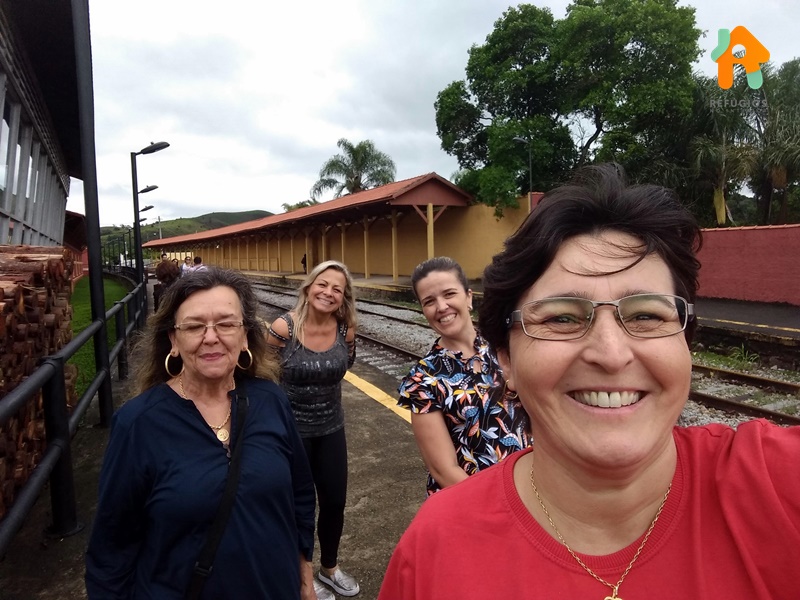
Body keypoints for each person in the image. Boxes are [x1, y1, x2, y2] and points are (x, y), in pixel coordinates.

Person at [378, 164, 800, 599]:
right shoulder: (436, 550)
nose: (612, 354)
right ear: (505, 360)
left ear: (685, 344)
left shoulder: (775, 485)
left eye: (646, 315)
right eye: (561, 318)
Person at [86, 268, 317, 600]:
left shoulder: (271, 400)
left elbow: (299, 493)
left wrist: (303, 570)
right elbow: (111, 549)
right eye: (194, 326)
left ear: (245, 336)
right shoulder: (138, 424)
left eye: (226, 324)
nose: (211, 337)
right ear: (173, 341)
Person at [267, 260, 360, 600]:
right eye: (323, 284)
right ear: (308, 287)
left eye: (337, 288)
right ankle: (301, 573)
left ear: (344, 297)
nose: (329, 292)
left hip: (331, 428)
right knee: (295, 506)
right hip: (290, 433)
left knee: (335, 501)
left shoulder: (345, 329)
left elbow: (345, 365)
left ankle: (330, 568)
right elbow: (265, 377)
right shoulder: (283, 328)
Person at [398, 256, 528, 496]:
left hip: (530, 487)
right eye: (429, 301)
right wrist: (500, 504)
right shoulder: (422, 380)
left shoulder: (506, 345)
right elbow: (443, 470)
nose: (441, 307)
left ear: (468, 297)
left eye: (449, 294)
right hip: (472, 500)